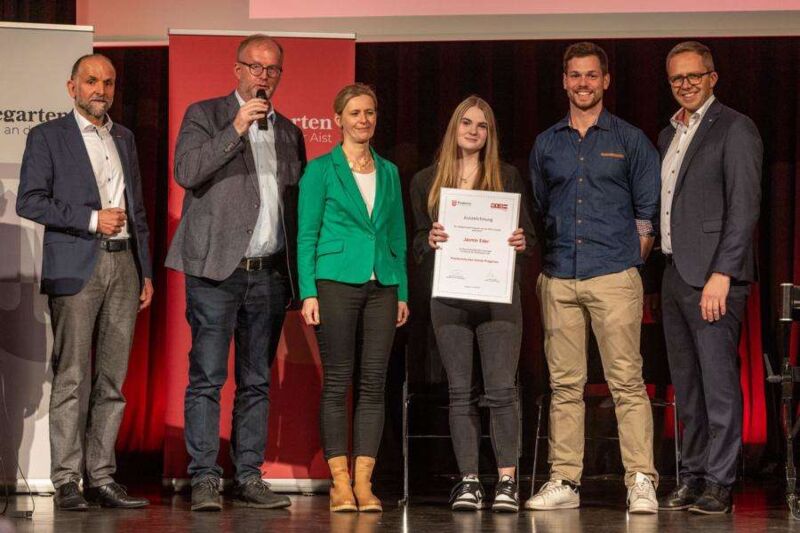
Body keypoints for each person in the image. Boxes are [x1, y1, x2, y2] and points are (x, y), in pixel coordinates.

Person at [165, 34, 306, 511]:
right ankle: (205, 477)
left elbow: (293, 205)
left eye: (273, 69)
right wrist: (237, 126)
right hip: (215, 271)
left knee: (256, 381)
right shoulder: (204, 115)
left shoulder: (289, 132)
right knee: (207, 377)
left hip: (268, 274)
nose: (265, 76)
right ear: (237, 70)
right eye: (256, 67)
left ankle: (248, 475)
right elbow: (187, 172)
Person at [525, 42, 660, 514]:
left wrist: (627, 263)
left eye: (591, 75)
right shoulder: (547, 143)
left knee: (626, 382)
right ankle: (564, 479)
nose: (583, 83)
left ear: (605, 81)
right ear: (565, 82)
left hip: (614, 275)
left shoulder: (629, 139)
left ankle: (640, 479)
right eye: (575, 75)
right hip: (559, 276)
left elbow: (647, 214)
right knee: (565, 386)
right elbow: (539, 208)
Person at [16, 53, 153, 510]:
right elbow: (30, 200)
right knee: (72, 376)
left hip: (124, 265)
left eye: (108, 82)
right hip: (77, 265)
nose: (101, 90)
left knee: (113, 379)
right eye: (91, 81)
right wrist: (92, 219)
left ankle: (102, 477)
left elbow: (137, 210)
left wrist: (145, 270)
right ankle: (66, 479)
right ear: (71, 86)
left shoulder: (124, 138)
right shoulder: (47, 136)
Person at [410, 95, 535, 513]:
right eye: (466, 122)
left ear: (490, 134)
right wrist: (428, 240)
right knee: (460, 392)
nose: (474, 130)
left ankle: (506, 481)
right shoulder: (426, 181)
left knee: (501, 390)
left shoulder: (507, 176)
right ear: (454, 128)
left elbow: (529, 237)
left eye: (482, 125)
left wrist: (521, 241)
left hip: (497, 297)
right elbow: (415, 240)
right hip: (450, 296)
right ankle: (468, 481)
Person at [656, 41, 761, 515]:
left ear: (712, 77)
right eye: (677, 78)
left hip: (714, 278)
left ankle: (720, 480)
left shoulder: (735, 128)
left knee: (718, 384)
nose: (686, 84)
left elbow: (743, 207)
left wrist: (723, 273)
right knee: (687, 386)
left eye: (694, 76)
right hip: (675, 273)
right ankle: (694, 474)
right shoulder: (668, 134)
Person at [297, 83, 409, 513]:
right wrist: (308, 291)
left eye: (370, 112)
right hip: (335, 281)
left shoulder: (390, 171)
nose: (364, 120)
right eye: (355, 113)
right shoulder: (320, 170)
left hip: (383, 284)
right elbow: (306, 235)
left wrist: (401, 289)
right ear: (338, 119)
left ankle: (364, 483)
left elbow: (396, 234)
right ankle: (339, 483)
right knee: (338, 380)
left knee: (374, 383)